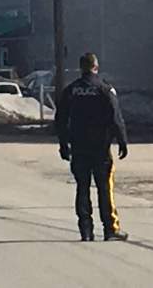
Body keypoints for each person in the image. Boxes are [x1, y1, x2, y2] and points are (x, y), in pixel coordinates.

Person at [55, 52, 129, 242]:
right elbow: (115, 117)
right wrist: (122, 141)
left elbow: (60, 120)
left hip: (79, 148)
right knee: (105, 188)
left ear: (81, 68)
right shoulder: (105, 89)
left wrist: (63, 144)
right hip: (100, 148)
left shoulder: (71, 91)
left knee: (82, 188)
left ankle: (86, 230)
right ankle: (110, 229)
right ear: (96, 67)